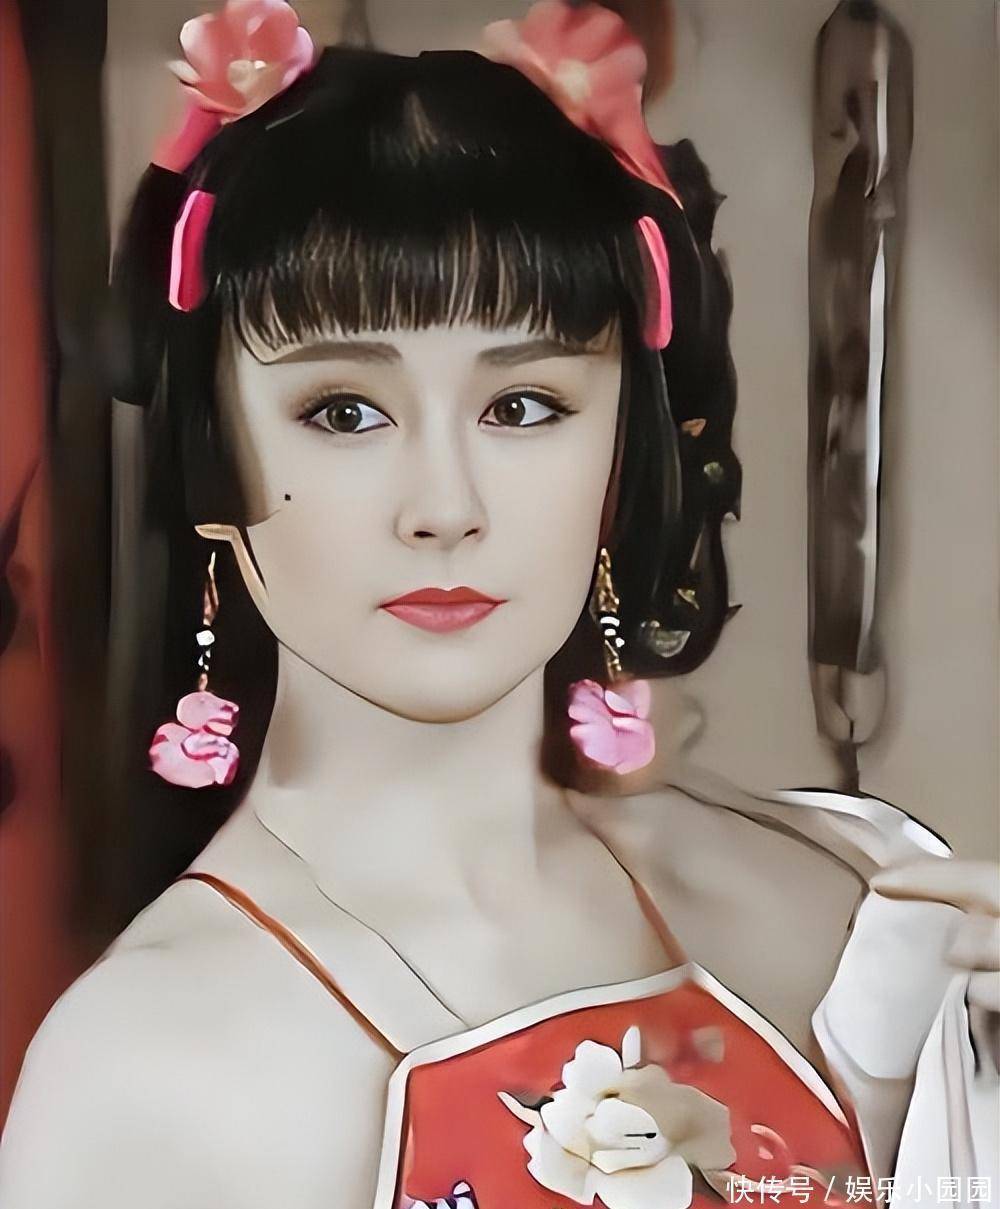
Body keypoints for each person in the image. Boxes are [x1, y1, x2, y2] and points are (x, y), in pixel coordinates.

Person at [0, 2, 996, 1207]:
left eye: (523, 407)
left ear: (619, 451)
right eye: (343, 413)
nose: (445, 506)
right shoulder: (140, 1076)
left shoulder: (851, 903)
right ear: (213, 462)